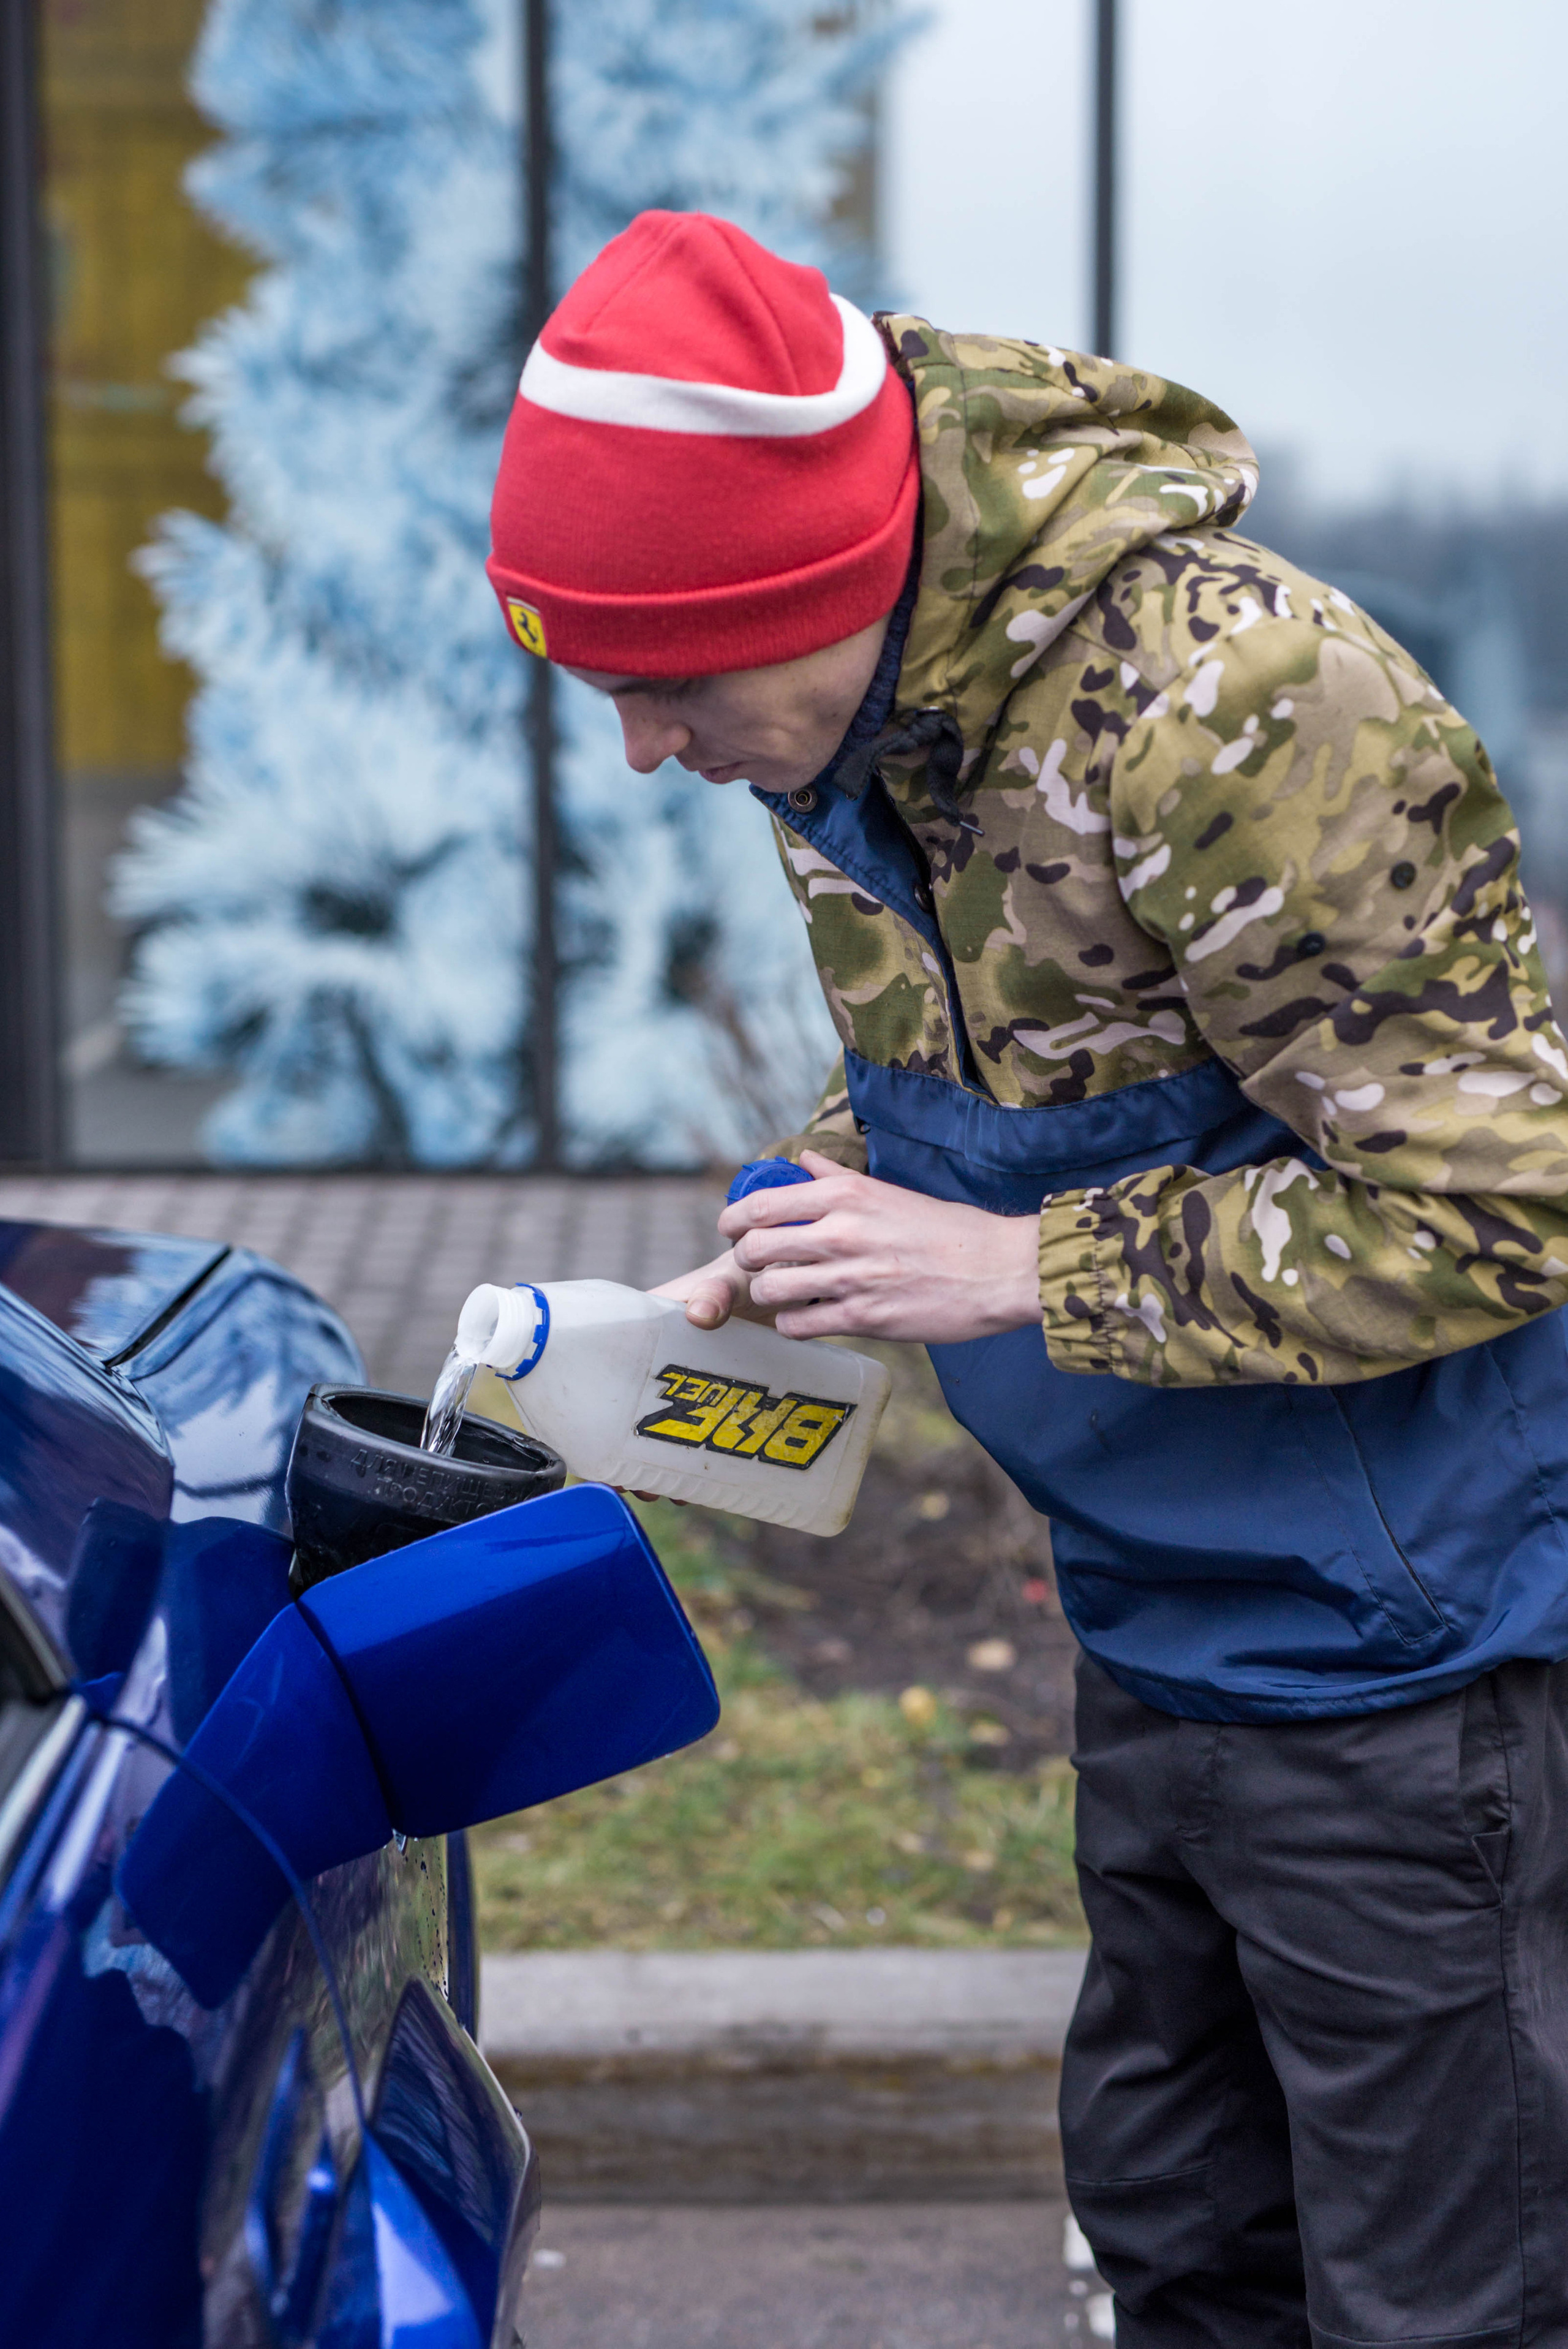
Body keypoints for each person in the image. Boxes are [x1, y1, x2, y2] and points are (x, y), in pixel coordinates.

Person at [486, 209, 1568, 2345]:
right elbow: (1004, 1049)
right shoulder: (848, 727)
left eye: (660, 686)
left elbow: (1499, 1205)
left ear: (814, 588)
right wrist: (825, 1208)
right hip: (1154, 1629)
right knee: (1181, 2249)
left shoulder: (1241, 704)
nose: (643, 750)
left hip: (1406, 1673)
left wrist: (1006, 1264)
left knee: (1443, 2305)